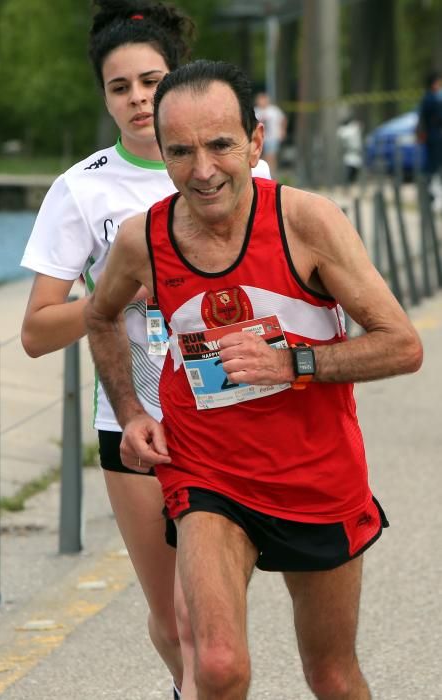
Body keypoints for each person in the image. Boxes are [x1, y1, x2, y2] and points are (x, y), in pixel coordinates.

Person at [85, 59, 423, 700]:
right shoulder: (143, 240)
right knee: (215, 665)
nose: (203, 170)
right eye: (181, 151)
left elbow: (403, 346)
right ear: (161, 152)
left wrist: (298, 361)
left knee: (332, 677)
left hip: (314, 472)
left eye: (220, 146)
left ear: (256, 142)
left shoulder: (308, 223)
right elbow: (101, 316)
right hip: (206, 469)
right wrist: (131, 410)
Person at [20, 5, 270, 699]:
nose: (136, 98)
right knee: (172, 616)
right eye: (118, 86)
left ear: (176, 78)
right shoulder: (81, 188)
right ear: (103, 95)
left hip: (229, 409)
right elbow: (36, 332)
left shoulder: (231, 162)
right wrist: (118, 297)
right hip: (136, 420)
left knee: (210, 616)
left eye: (150, 80)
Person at [417, 70, 442, 210]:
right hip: (435, 138)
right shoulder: (432, 99)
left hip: (434, 137)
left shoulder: (428, 98)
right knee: (434, 168)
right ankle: (433, 196)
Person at [254, 90, 287, 175]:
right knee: (259, 156)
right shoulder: (255, 111)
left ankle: (272, 173)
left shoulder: (274, 110)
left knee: (271, 156)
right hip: (258, 138)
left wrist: (283, 131)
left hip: (272, 137)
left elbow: (283, 120)